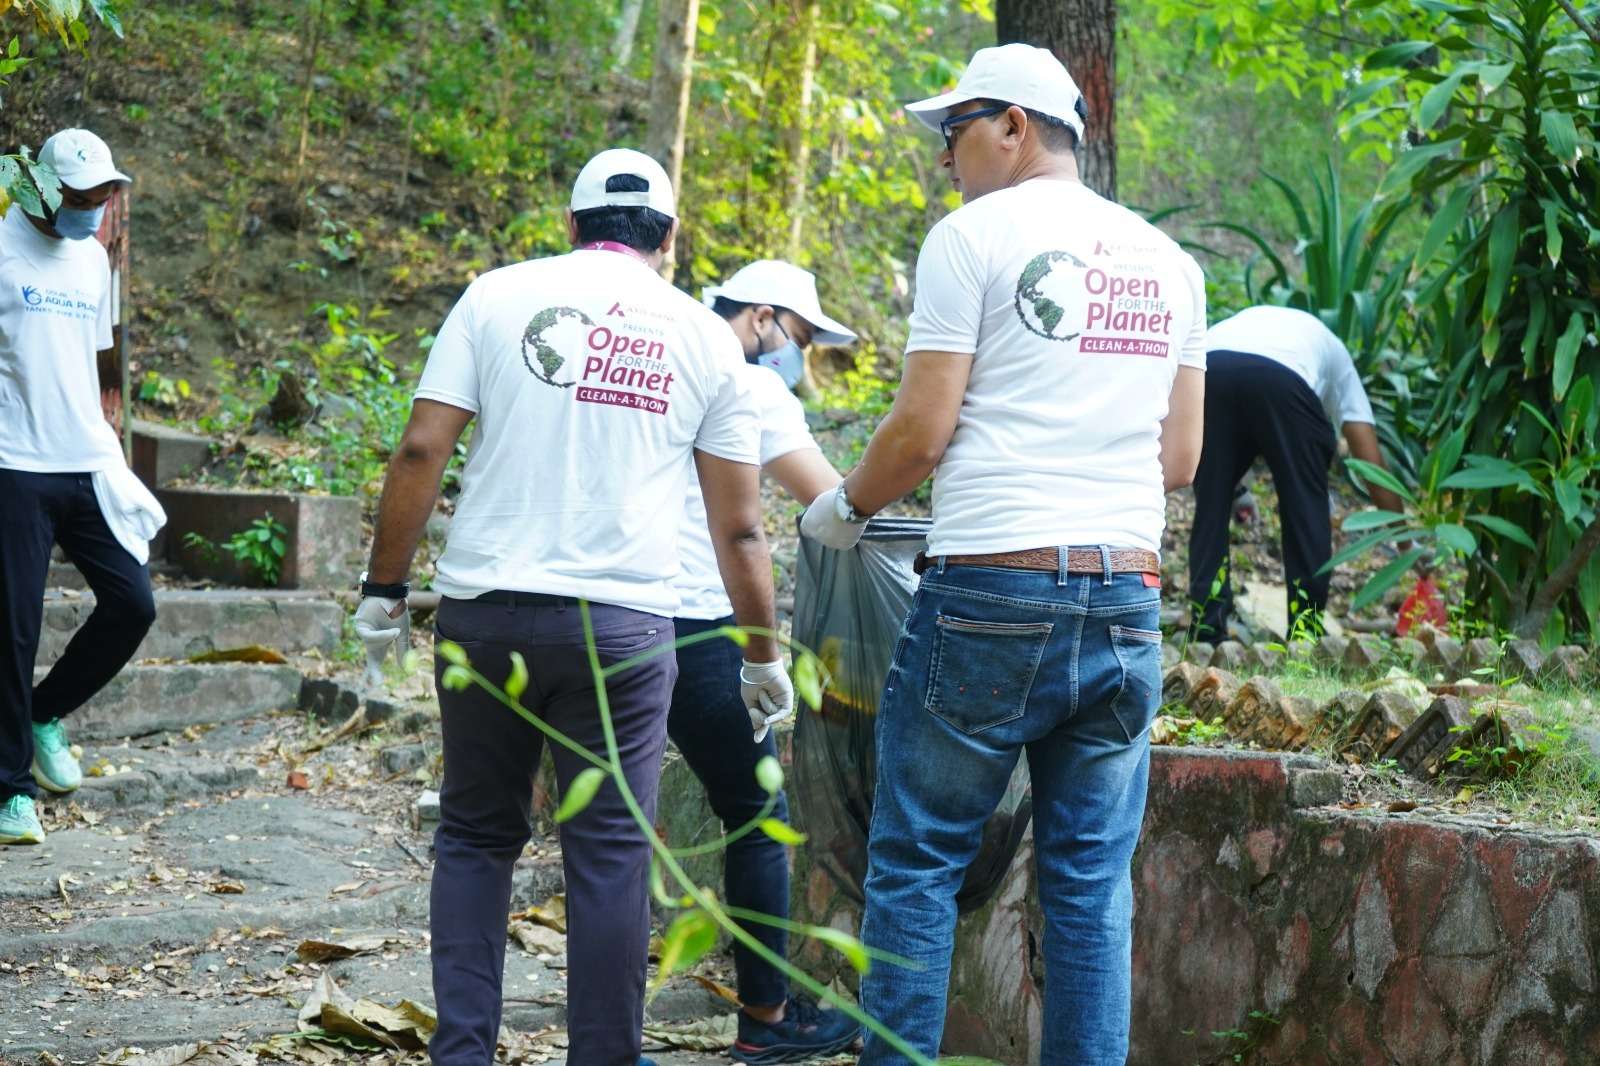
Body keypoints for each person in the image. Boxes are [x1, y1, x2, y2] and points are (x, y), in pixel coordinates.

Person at [800, 44, 1207, 1065]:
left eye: (956, 130)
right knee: (1086, 884)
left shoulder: (970, 238)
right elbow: (1181, 456)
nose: (946, 155)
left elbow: (921, 430)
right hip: (1124, 598)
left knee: (916, 865)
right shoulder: (1170, 262)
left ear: (1014, 126)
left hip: (989, 593)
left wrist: (841, 510)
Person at [352, 149, 792, 1066]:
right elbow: (741, 529)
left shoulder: (495, 296)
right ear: (670, 239)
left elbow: (420, 452)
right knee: (610, 855)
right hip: (624, 632)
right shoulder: (704, 336)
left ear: (571, 225)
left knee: (475, 836)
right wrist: (761, 656)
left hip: (485, 615)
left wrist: (384, 591)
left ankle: (464, 1054)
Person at [671, 260, 861, 1062]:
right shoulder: (751, 387)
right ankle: (768, 1020)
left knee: (606, 825)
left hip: (600, 612)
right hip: (699, 618)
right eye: (801, 338)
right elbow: (831, 502)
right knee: (755, 819)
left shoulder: (660, 353)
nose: (800, 358)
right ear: (761, 318)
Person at [0, 129, 160, 847]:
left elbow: (96, 359)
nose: (94, 209)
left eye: (103, 196)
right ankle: (10, 790)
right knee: (13, 629)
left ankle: (41, 713)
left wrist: (109, 436)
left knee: (132, 602)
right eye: (82, 197)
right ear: (41, 187)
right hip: (12, 461)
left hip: (83, 456)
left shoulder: (94, 260)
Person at [1188, 304, 1405, 642]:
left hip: (1209, 369)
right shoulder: (1335, 352)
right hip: (1282, 379)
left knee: (1210, 503)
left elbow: (1238, 420)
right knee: (1305, 505)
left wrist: (1235, 488)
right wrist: (1407, 542)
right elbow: (1370, 460)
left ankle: (1205, 629)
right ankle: (1304, 634)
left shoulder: (1250, 321)